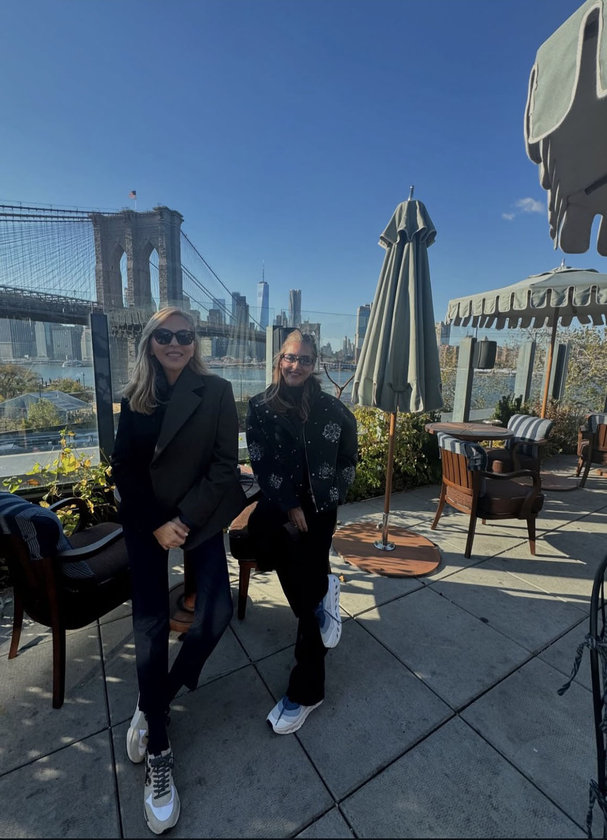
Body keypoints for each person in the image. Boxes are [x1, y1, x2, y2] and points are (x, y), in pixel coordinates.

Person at [111, 306, 246, 835]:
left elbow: (224, 465)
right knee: (148, 626)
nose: (175, 343)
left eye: (184, 335)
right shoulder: (136, 397)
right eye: (164, 335)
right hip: (148, 521)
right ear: (150, 342)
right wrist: (156, 524)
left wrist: (184, 520)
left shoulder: (217, 392)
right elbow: (124, 467)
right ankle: (160, 751)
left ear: (195, 342)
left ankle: (155, 701)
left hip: (198, 515)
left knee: (216, 612)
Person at [245, 329, 358, 735]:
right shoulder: (260, 407)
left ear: (314, 365)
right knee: (260, 538)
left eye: (305, 360)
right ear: (280, 359)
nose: (296, 365)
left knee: (307, 588)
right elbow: (260, 461)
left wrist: (331, 495)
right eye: (290, 357)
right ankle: (323, 594)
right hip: (280, 502)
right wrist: (291, 504)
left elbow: (349, 457)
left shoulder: (333, 409)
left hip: (320, 510)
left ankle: (307, 692)